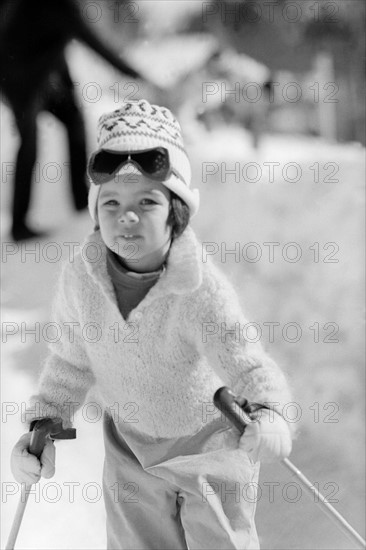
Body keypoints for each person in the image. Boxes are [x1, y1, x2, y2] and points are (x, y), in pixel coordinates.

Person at [11, 99, 294, 550]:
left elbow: (245, 358)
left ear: (177, 211)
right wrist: (43, 424)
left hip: (210, 445)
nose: (127, 216)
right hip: (131, 448)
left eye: (147, 201)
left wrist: (271, 410)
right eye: (112, 202)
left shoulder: (198, 287)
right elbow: (69, 360)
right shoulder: (81, 280)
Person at [0, 0, 140, 241]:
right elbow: (95, 44)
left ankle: (80, 199)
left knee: (74, 123)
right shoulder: (61, 6)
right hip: (16, 75)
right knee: (30, 141)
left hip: (44, 72)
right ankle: (19, 226)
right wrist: (137, 74)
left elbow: (52, 38)